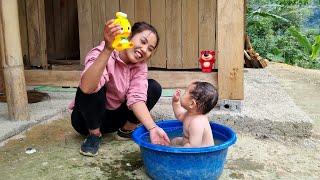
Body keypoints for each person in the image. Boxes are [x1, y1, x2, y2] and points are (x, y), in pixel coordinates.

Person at [69, 19, 170, 156]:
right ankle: (94, 135)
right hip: (86, 120)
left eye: (150, 49)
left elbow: (137, 98)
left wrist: (152, 128)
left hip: (114, 119)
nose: (145, 50)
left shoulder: (140, 67)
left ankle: (126, 131)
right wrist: (108, 49)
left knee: (153, 87)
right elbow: (86, 88)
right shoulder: (101, 51)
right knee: (94, 82)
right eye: (143, 42)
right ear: (128, 37)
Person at [171, 81, 218, 147]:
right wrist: (176, 102)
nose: (182, 94)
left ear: (192, 104)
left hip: (202, 153)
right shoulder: (190, 114)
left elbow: (194, 147)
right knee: (174, 141)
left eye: (185, 93)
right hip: (187, 142)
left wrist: (179, 149)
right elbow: (179, 115)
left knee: (183, 146)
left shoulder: (197, 123)